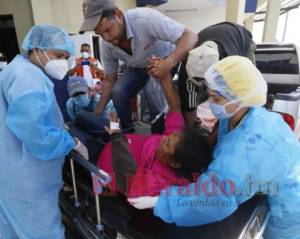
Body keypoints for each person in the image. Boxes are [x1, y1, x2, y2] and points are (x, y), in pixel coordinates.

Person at [128, 56, 300, 239]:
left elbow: (216, 198)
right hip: (271, 184)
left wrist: (161, 202)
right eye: (210, 96)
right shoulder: (239, 114)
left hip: (289, 205)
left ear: (240, 97)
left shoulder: (248, 147)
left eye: (216, 98)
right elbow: (220, 146)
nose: (211, 104)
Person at [0, 24, 89, 239]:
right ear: (37, 49)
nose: (62, 62)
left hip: (10, 173)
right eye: (59, 55)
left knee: (14, 236)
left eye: (66, 57)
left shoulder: (16, 70)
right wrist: (69, 141)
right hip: (28, 181)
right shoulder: (27, 77)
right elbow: (35, 133)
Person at [79, 0, 198, 132]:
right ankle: (127, 133)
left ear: (118, 14)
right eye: (100, 34)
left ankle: (157, 137)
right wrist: (98, 112)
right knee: (118, 91)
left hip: (164, 60)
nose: (106, 38)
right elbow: (109, 80)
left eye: (108, 29)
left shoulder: (145, 19)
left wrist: (168, 63)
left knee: (152, 92)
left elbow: (191, 36)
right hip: (137, 67)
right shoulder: (106, 44)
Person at [97, 73, 211, 198]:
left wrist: (116, 136)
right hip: (116, 140)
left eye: (166, 144)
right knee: (84, 119)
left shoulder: (158, 183)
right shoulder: (177, 142)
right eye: (169, 137)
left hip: (111, 166)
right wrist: (165, 76)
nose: (163, 138)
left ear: (174, 164)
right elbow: (175, 108)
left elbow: (128, 180)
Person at [164, 22, 255, 127]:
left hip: (240, 37)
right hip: (212, 33)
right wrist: (193, 126)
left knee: (245, 94)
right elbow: (187, 102)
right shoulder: (189, 60)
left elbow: (232, 98)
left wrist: (220, 127)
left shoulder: (232, 62)